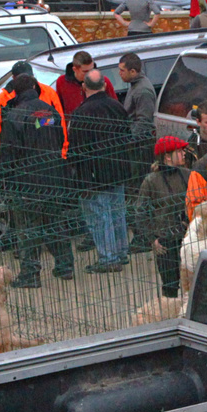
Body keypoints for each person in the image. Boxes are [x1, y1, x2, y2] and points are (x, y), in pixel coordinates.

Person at [0, 74, 76, 286]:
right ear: (34, 86)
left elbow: (8, 153)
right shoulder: (48, 111)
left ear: (15, 91)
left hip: (27, 181)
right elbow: (59, 138)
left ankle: (30, 273)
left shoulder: (14, 117)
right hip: (52, 176)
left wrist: (7, 179)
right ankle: (65, 265)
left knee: (28, 228)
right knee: (55, 221)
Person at [68, 73, 134, 273]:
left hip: (94, 175)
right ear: (105, 85)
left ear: (84, 87)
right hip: (118, 171)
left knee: (99, 217)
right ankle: (121, 252)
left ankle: (108, 258)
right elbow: (127, 138)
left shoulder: (82, 113)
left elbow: (76, 150)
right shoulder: (117, 107)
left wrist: (82, 178)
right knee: (117, 214)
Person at [138, 135, 194, 297]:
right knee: (170, 286)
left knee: (192, 283)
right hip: (166, 241)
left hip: (188, 237)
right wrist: (152, 239)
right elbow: (141, 212)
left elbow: (196, 201)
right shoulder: (151, 181)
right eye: (179, 151)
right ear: (167, 157)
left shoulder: (187, 174)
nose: (184, 154)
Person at [116, 52, 160, 254]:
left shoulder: (142, 91)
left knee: (138, 192)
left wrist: (128, 141)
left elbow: (143, 121)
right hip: (136, 146)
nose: (120, 74)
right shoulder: (136, 87)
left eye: (122, 70)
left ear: (133, 71)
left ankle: (143, 237)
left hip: (140, 149)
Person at [0, 60, 66, 161]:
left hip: (43, 157)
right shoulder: (5, 97)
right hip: (33, 159)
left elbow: (59, 124)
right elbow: (0, 131)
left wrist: (63, 153)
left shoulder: (48, 93)